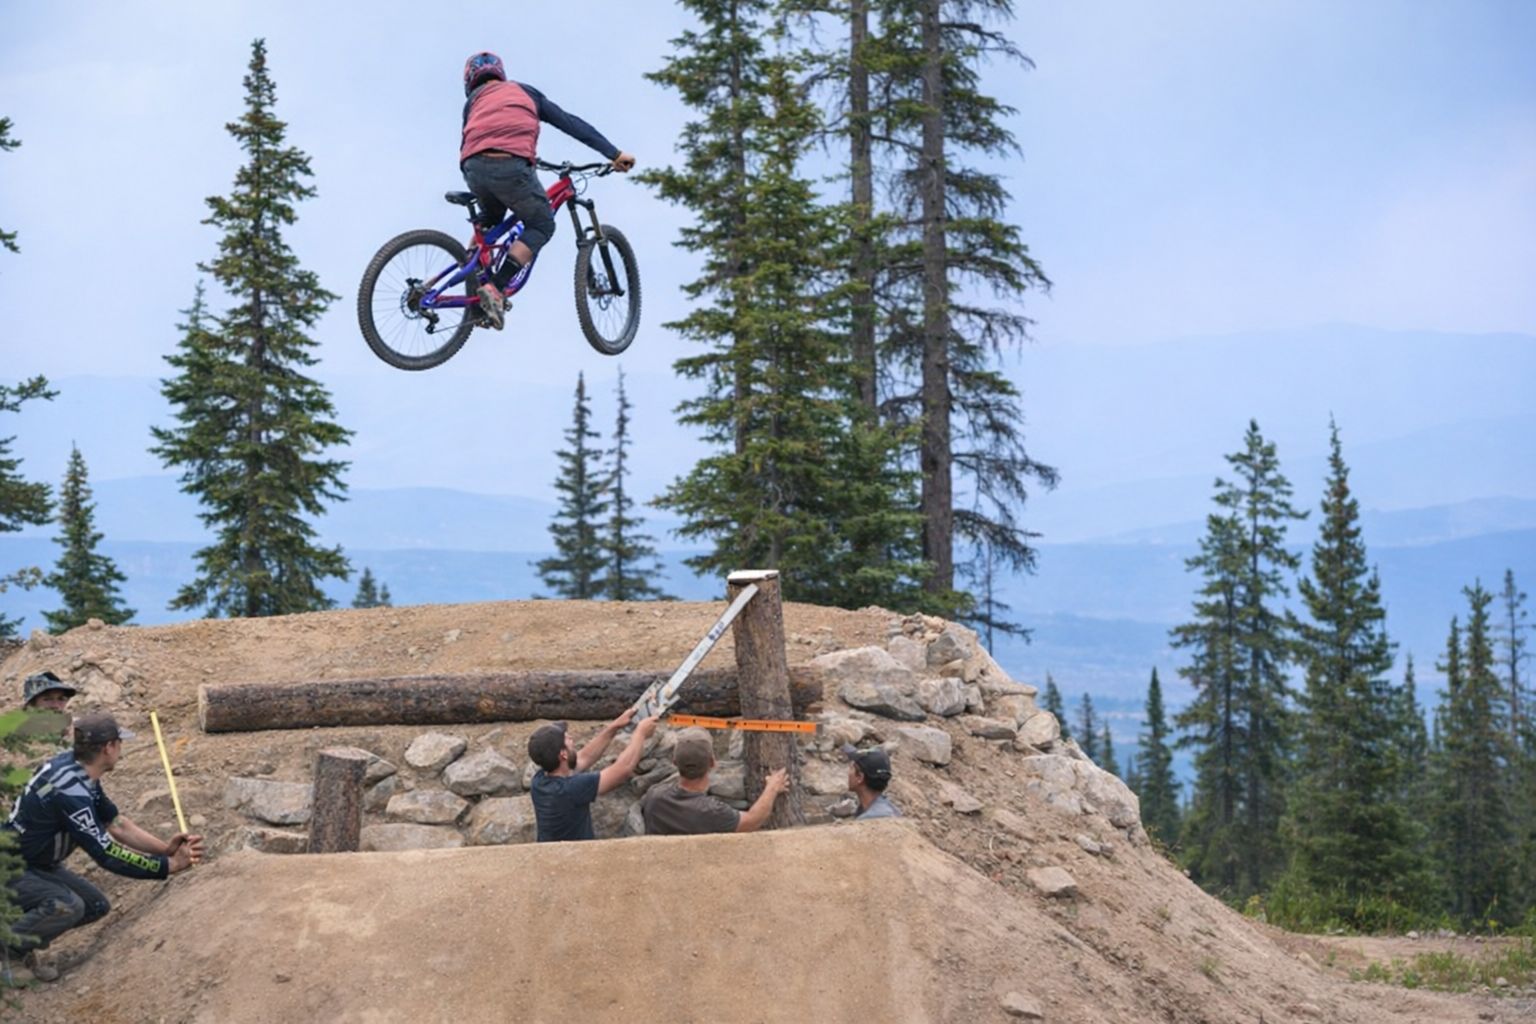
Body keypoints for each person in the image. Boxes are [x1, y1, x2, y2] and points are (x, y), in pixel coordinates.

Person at [2, 713, 203, 986]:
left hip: (35, 863)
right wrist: (168, 866)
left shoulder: (80, 771)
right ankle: (9, 952)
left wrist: (165, 850)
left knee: (94, 906)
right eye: (120, 743)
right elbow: (106, 853)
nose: (121, 749)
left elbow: (116, 824)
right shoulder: (70, 792)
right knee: (68, 906)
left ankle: (19, 940)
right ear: (108, 747)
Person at [459, 51, 637, 330]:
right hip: (511, 165)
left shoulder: (474, 101)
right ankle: (496, 288)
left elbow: (469, 139)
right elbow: (572, 124)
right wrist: (614, 153)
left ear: (469, 80)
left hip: (473, 167)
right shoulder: (526, 93)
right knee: (541, 224)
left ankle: (472, 275)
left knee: (491, 220)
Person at [527, 709, 658, 842]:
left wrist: (614, 726)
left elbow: (585, 757)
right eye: (566, 738)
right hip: (576, 854)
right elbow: (623, 769)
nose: (571, 738)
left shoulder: (539, 781)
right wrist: (640, 734)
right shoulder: (570, 789)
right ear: (563, 754)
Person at [640, 727, 789, 836]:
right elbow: (752, 821)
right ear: (712, 763)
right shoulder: (711, 811)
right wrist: (772, 787)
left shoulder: (654, 796)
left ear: (675, 762)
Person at [843, 744, 900, 820]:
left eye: (851, 768)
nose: (848, 773)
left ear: (860, 777)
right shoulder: (887, 810)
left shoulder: (872, 818)